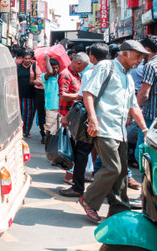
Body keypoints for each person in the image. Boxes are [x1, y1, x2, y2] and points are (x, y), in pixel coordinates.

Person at [78, 40, 150, 224]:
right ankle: (88, 200)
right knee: (113, 168)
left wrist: (145, 129)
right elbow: (88, 93)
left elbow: (133, 105)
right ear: (124, 53)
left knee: (122, 171)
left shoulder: (128, 76)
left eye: (142, 57)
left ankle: (119, 209)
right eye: (137, 56)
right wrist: (93, 118)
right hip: (103, 127)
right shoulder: (106, 66)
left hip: (120, 130)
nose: (140, 61)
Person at [60, 43, 108, 198]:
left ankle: (78, 187)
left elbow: (81, 98)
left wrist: (67, 117)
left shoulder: (90, 74)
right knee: (108, 157)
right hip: (109, 121)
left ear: (92, 57)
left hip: (90, 120)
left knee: (81, 153)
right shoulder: (116, 72)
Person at [58, 52, 89, 183]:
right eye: (84, 66)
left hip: (76, 115)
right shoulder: (65, 74)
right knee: (70, 146)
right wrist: (79, 95)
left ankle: (76, 173)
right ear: (78, 63)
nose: (84, 69)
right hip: (67, 115)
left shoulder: (78, 75)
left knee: (76, 146)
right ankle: (69, 174)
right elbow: (62, 95)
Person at [17, 51, 39, 138]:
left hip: (32, 94)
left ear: (31, 59)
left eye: (29, 58)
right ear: (22, 59)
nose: (27, 60)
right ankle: (20, 131)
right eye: (25, 58)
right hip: (20, 94)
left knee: (30, 114)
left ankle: (27, 131)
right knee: (21, 114)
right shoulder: (18, 67)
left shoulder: (34, 68)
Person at [41, 56, 60, 136]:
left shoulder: (61, 76)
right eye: (53, 68)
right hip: (51, 107)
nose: (55, 70)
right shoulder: (44, 76)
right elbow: (50, 72)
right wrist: (47, 59)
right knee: (51, 130)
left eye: (57, 68)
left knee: (59, 130)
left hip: (61, 107)